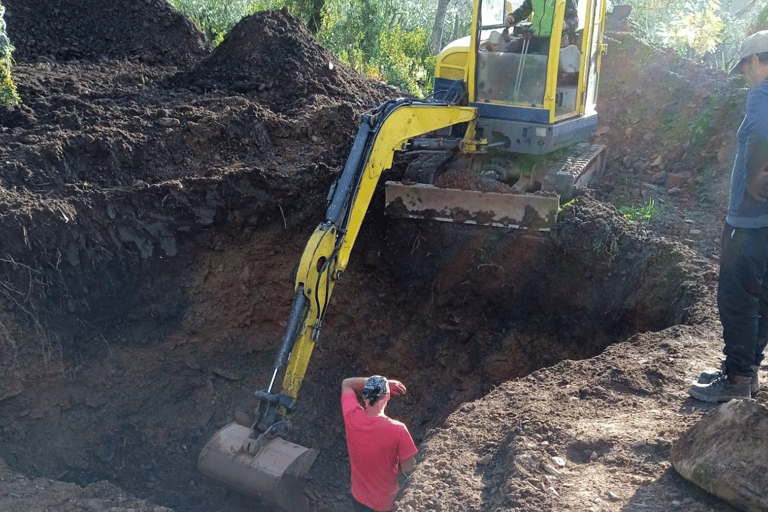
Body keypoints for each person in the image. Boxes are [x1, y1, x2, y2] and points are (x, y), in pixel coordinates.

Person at [688, 30, 768, 402]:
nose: (744, 75)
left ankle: (736, 379)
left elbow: (759, 132)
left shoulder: (762, 96)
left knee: (737, 297)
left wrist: (755, 182)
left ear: (755, 61)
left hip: (751, 220)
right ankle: (748, 371)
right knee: (762, 295)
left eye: (745, 67)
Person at [341, 375, 418, 512]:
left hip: (358, 498)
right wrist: (384, 385)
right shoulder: (398, 430)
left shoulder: (352, 416)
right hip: (384, 506)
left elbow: (347, 383)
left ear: (364, 397)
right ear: (387, 396)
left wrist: (382, 383)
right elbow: (410, 469)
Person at [503, 0, 579, 54]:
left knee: (541, 63)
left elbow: (574, 20)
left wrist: (566, 24)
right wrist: (513, 17)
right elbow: (524, 9)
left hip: (552, 39)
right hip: (533, 35)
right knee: (510, 53)